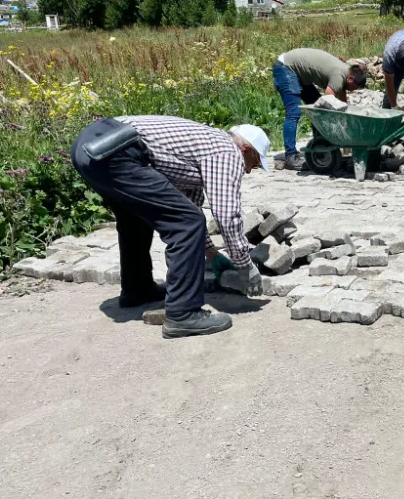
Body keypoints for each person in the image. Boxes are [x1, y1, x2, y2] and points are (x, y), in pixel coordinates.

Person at [71, 115, 270, 338]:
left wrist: (212, 254)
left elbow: (189, 207)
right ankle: (183, 314)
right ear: (245, 149)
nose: (250, 171)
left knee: (135, 217)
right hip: (115, 149)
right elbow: (226, 215)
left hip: (90, 146)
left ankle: (137, 290)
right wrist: (245, 264)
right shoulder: (227, 151)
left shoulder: (200, 149)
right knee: (186, 224)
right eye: (255, 163)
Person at [273, 48, 368, 169]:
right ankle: (290, 156)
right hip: (286, 68)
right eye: (353, 88)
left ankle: (320, 146)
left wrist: (346, 125)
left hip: (298, 72)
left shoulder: (345, 74)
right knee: (294, 112)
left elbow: (343, 103)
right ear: (350, 79)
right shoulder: (339, 76)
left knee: (315, 107)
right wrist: (333, 125)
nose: (352, 90)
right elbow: (329, 99)